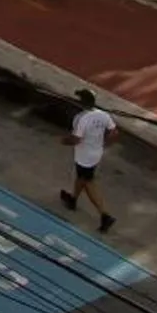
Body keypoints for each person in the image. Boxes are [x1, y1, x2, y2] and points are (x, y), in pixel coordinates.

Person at [62, 88, 120, 233]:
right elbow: (114, 132)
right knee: (82, 177)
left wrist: (65, 141)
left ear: (81, 102)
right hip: (96, 153)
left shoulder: (82, 119)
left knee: (88, 183)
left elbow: (76, 139)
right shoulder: (103, 115)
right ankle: (72, 199)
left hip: (84, 156)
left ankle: (104, 215)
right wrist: (103, 144)